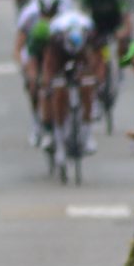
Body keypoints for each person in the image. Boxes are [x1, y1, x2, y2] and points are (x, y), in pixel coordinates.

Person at [15, 0, 75, 147]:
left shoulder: (67, 9)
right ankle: (37, 121)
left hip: (60, 49)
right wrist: (25, 69)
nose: (49, 16)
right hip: (35, 50)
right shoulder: (29, 13)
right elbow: (19, 45)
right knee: (36, 84)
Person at [42, 9, 98, 162]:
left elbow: (94, 59)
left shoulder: (88, 32)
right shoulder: (56, 36)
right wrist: (48, 83)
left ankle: (87, 136)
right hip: (59, 58)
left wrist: (94, 79)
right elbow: (49, 64)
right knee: (58, 93)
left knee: (87, 89)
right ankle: (59, 142)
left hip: (82, 57)